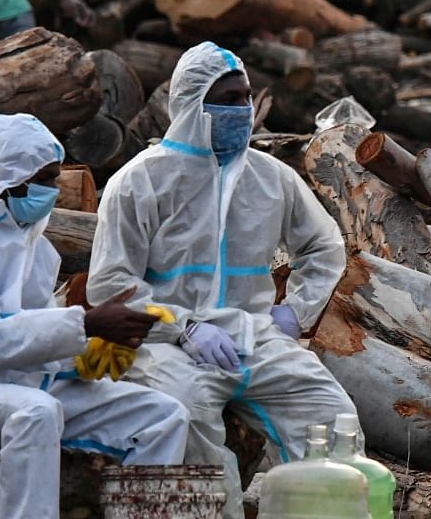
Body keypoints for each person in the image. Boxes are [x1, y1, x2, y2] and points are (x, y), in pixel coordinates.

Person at [86, 42, 358, 519]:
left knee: (330, 416)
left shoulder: (271, 177)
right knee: (183, 419)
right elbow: (112, 285)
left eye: (246, 98)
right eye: (228, 99)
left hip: (254, 335)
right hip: (164, 345)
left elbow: (324, 245)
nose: (243, 111)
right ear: (193, 104)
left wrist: (296, 311)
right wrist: (182, 326)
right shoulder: (139, 181)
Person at [0, 114, 188, 519]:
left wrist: (86, 354)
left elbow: (34, 338)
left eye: (54, 178)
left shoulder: (34, 247)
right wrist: (86, 324)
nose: (52, 190)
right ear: (7, 176)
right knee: (34, 413)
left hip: (24, 382)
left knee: (164, 415)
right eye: (44, 178)